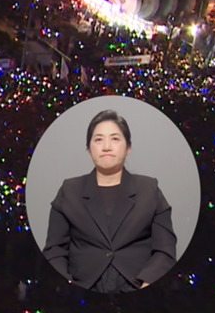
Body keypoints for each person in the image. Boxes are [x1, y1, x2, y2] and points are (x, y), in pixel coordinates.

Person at [43, 110, 177, 293]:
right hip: (83, 286)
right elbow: (54, 250)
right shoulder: (70, 190)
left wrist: (148, 284)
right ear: (89, 148)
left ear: (128, 147)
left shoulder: (149, 189)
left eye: (115, 139)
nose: (106, 146)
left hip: (136, 285)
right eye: (98, 139)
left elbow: (165, 249)